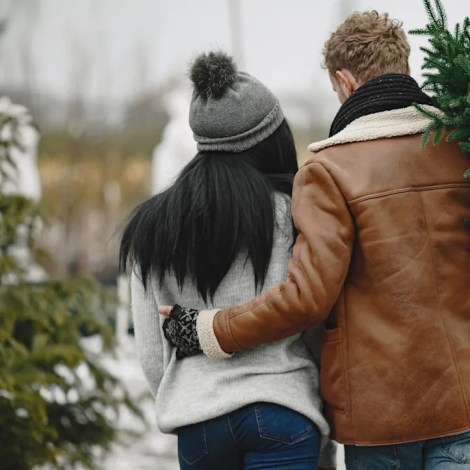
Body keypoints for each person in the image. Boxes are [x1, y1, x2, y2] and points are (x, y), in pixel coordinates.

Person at [161, 12, 470, 470]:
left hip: (382, 416)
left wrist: (211, 329)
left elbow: (306, 300)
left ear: (344, 82)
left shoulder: (328, 172)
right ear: (404, 65)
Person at [120, 51, 335, 470]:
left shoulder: (154, 226)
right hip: (284, 408)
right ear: (271, 140)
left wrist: (189, 393)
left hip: (199, 423)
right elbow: (313, 318)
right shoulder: (293, 216)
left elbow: (150, 351)